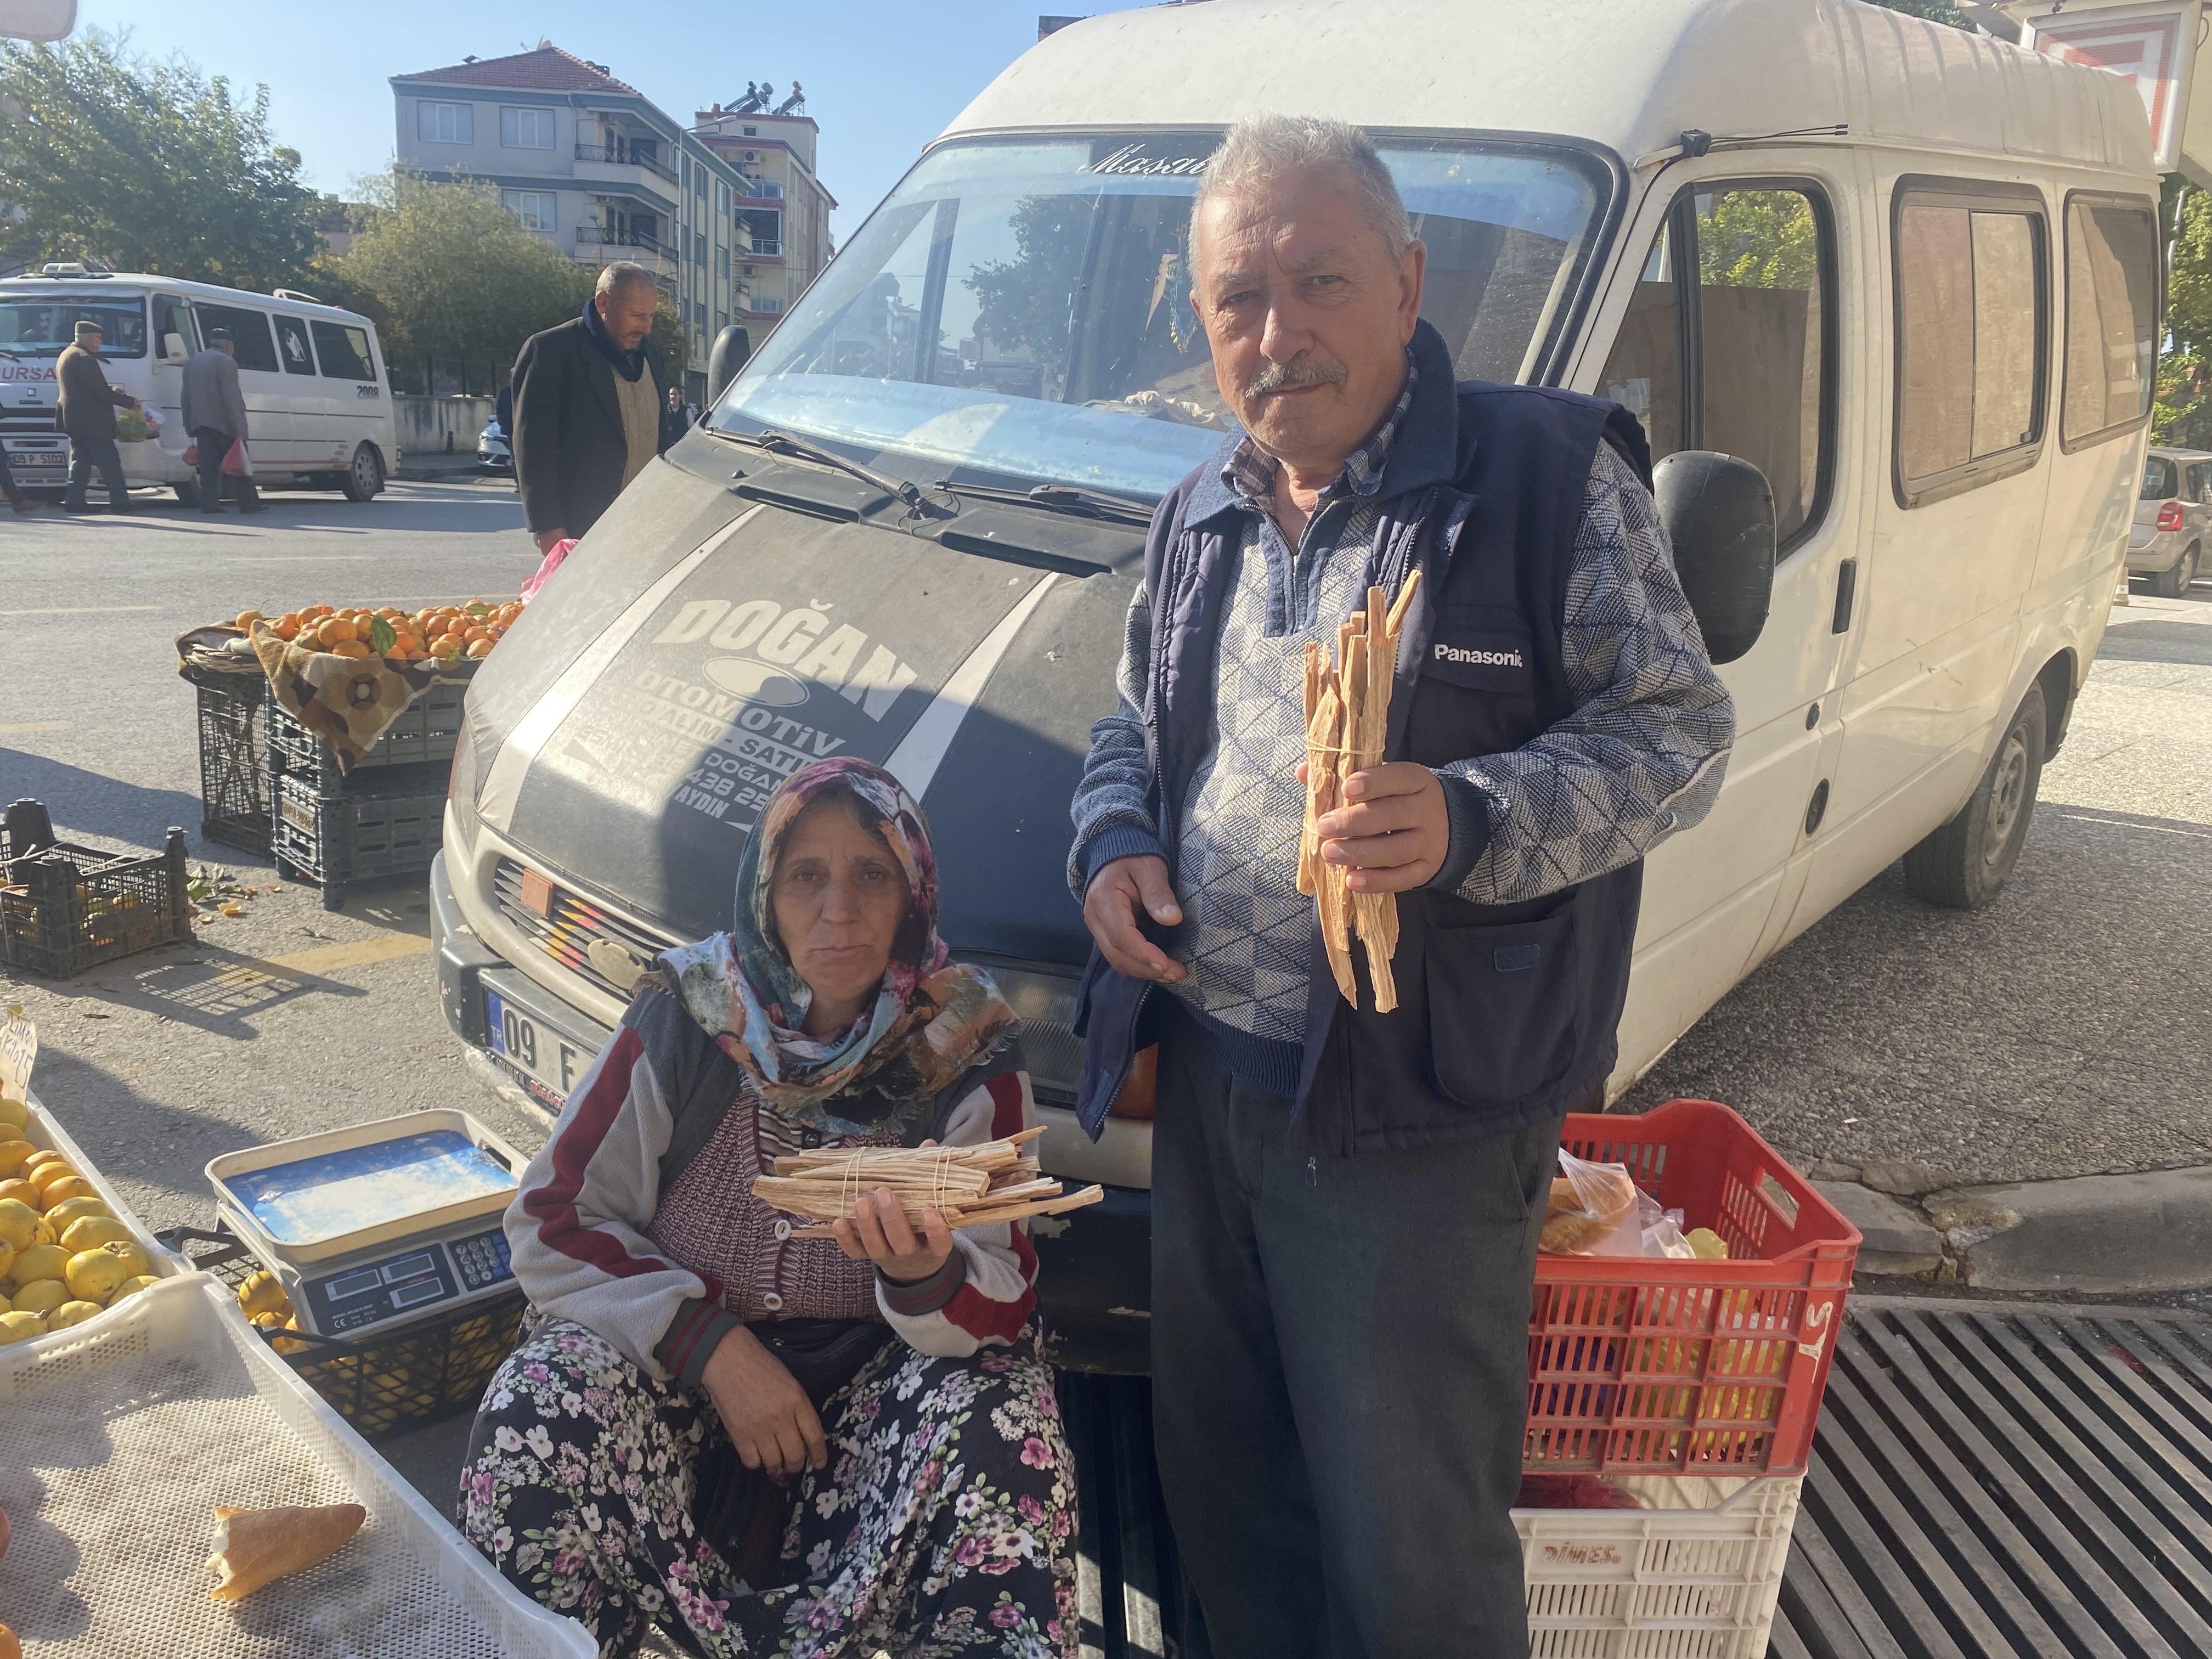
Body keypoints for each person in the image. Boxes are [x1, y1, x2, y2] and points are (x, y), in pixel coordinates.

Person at [1066, 116, 1736, 1659]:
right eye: (1240, 299)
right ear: (1201, 320)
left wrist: (1476, 814)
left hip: (1419, 1108)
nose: (1278, 333)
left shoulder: (1541, 474)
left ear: (1409, 281)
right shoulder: (1199, 514)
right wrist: (1114, 844)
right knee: (1227, 1491)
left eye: (1321, 281)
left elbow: (1681, 737)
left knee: (1406, 1534)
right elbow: (1124, 726)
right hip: (1216, 1080)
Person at [463, 756, 1076, 1658]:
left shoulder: (964, 1042)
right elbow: (554, 1216)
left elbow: (1005, 1291)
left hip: (873, 1396)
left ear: (914, 893)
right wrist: (710, 1344)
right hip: (676, 1384)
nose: (840, 908)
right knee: (539, 1404)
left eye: (872, 873)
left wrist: (925, 1273)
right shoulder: (688, 1014)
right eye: (806, 876)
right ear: (763, 890)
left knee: (1005, 1418)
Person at [510, 261, 669, 555]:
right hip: (579, 530)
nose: (646, 328)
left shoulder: (651, 357)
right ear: (604, 303)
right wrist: (548, 527)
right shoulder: (551, 352)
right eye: (637, 316)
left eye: (650, 317)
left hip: (642, 527)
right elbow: (532, 448)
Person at [55, 318, 138, 513]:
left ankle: (74, 501)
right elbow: (98, 393)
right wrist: (129, 402)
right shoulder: (84, 358)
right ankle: (121, 503)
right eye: (98, 339)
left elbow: (88, 388)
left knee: (81, 463)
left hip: (75, 421)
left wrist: (112, 390)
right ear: (88, 338)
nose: (100, 343)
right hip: (92, 422)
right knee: (110, 463)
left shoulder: (68, 354)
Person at [180, 329, 263, 515]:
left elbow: (186, 395)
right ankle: (249, 504)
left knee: (209, 467)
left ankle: (210, 504)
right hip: (223, 424)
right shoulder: (226, 362)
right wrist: (239, 426)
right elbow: (230, 396)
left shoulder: (192, 361)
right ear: (228, 345)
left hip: (200, 423)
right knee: (240, 462)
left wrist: (188, 422)